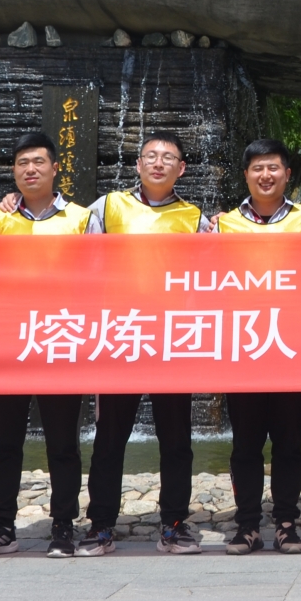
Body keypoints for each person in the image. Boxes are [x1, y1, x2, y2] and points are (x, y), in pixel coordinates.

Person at [0, 131, 93, 559]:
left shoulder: (80, 218)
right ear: (14, 171)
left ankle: (63, 525)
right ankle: (2, 525)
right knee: (4, 443)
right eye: (22, 163)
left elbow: (100, 276)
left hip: (61, 340)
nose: (30, 169)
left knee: (63, 442)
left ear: (56, 168)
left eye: (38, 162)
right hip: (8, 342)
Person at [84, 131, 205, 555]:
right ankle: (100, 525)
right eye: (150, 156)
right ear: (137, 164)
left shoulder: (195, 218)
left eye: (168, 157)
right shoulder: (107, 207)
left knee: (177, 439)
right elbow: (79, 256)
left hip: (173, 339)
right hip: (122, 336)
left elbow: (210, 276)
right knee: (109, 437)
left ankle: (174, 524)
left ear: (181, 168)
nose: (158, 163)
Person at [204, 137, 301, 555]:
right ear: (246, 175)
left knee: (289, 444)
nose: (266, 175)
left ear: (287, 174)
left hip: (291, 348)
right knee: (245, 445)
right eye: (257, 168)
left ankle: (286, 524)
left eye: (273, 168)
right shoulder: (224, 225)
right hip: (244, 349)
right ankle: (247, 526)